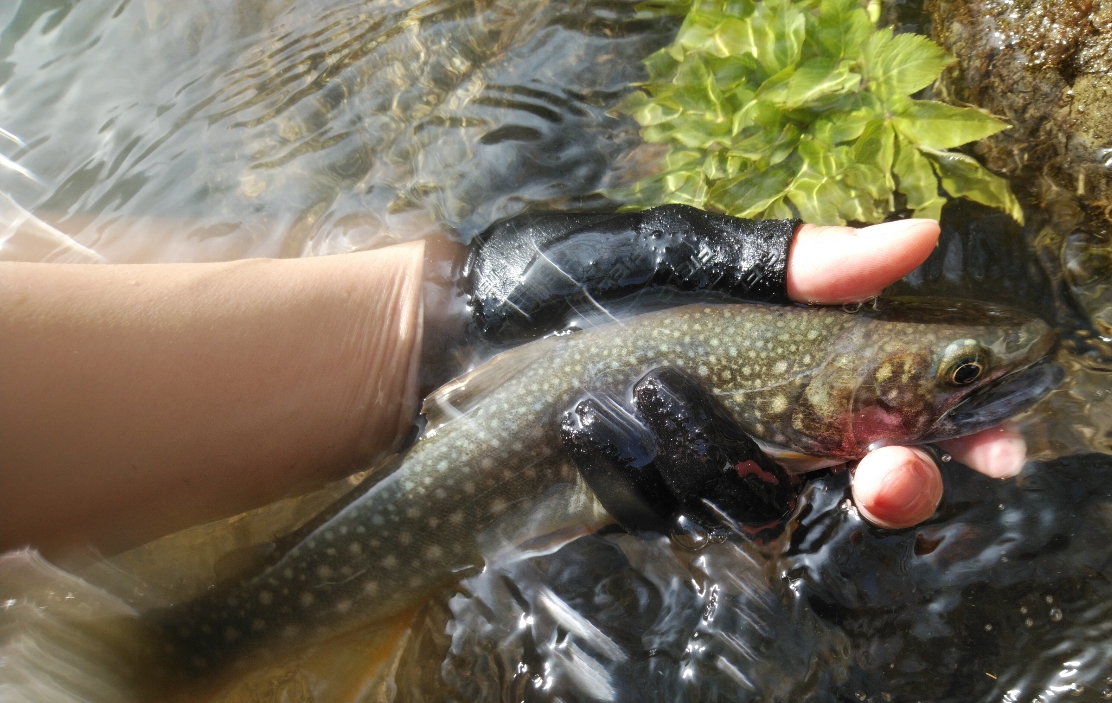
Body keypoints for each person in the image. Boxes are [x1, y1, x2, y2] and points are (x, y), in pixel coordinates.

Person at [0, 215, 1026, 559]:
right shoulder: (826, 392)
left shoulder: (819, 375)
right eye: (959, 375)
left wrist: (447, 315)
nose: (970, 382)